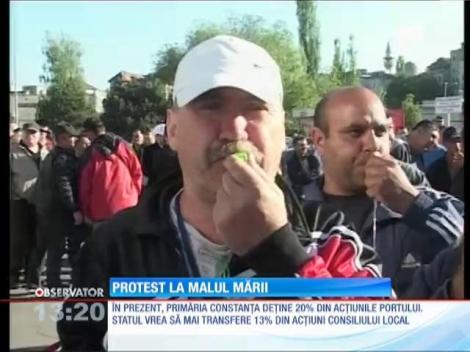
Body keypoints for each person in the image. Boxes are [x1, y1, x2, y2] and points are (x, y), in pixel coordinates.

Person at [57, 35, 382, 350]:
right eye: (210, 107)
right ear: (172, 129)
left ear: (281, 129)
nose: (235, 129)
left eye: (255, 109)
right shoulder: (114, 246)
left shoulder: (332, 236)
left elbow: (380, 338)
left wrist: (280, 252)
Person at [308, 86, 463, 295]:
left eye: (381, 131)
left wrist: (414, 204)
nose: (374, 144)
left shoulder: (429, 204)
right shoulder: (294, 215)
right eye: (355, 132)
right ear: (319, 140)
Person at [34, 122, 82, 287]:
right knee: (56, 248)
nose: (75, 140)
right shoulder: (62, 158)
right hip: (57, 211)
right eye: (72, 137)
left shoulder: (53, 155)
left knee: (50, 247)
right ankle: (53, 283)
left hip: (48, 209)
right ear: (63, 139)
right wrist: (74, 208)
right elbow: (65, 185)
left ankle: (44, 280)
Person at [78, 117, 143, 229]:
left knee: (104, 245)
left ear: (90, 133)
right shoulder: (123, 146)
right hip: (128, 206)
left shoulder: (89, 155)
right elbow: (137, 172)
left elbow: (85, 187)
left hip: (101, 211)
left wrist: (87, 211)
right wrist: (134, 194)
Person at [10, 122, 48, 289]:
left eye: (34, 133)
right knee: (17, 241)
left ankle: (32, 278)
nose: (30, 137)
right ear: (23, 135)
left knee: (37, 242)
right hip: (19, 202)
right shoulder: (14, 153)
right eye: (27, 133)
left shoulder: (46, 153)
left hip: (41, 203)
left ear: (40, 135)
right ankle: (13, 276)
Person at [426, 126, 464, 195]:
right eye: (453, 141)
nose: (457, 146)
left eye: (459, 141)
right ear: (444, 143)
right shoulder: (435, 168)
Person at [141, 123, 179, 188]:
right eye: (159, 135)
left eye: (165, 135)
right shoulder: (149, 150)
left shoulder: (173, 149)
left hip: (171, 182)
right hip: (154, 182)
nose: (163, 137)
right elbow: (145, 166)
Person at [286, 135, 321, 202]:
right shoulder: (291, 163)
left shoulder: (312, 158)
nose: (304, 147)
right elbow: (299, 179)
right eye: (301, 145)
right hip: (300, 194)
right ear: (295, 147)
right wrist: (312, 177)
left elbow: (317, 173)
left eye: (305, 145)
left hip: (315, 190)